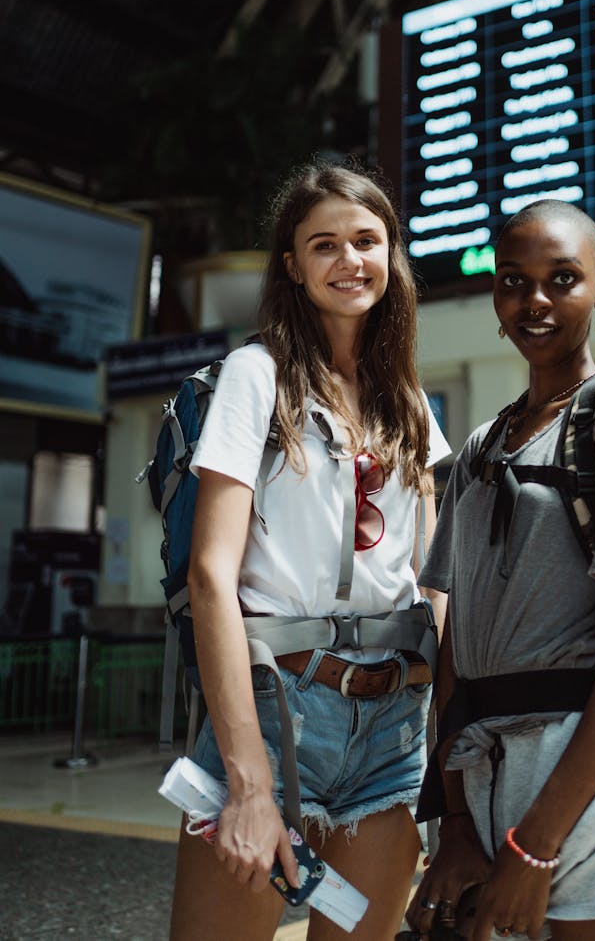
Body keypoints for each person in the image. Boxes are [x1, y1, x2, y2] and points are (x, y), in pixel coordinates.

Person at [405, 199, 595, 941]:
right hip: (487, 776)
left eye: (561, 278)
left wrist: (535, 845)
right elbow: (455, 645)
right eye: (513, 281)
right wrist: (458, 824)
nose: (533, 301)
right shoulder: (479, 446)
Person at [168, 161, 450, 941]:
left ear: (392, 255)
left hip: (393, 727)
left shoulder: (411, 403)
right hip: (279, 713)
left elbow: (433, 577)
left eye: (366, 241)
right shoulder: (257, 377)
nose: (348, 261)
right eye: (323, 245)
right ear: (292, 265)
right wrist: (250, 784)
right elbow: (210, 575)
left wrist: (438, 727)